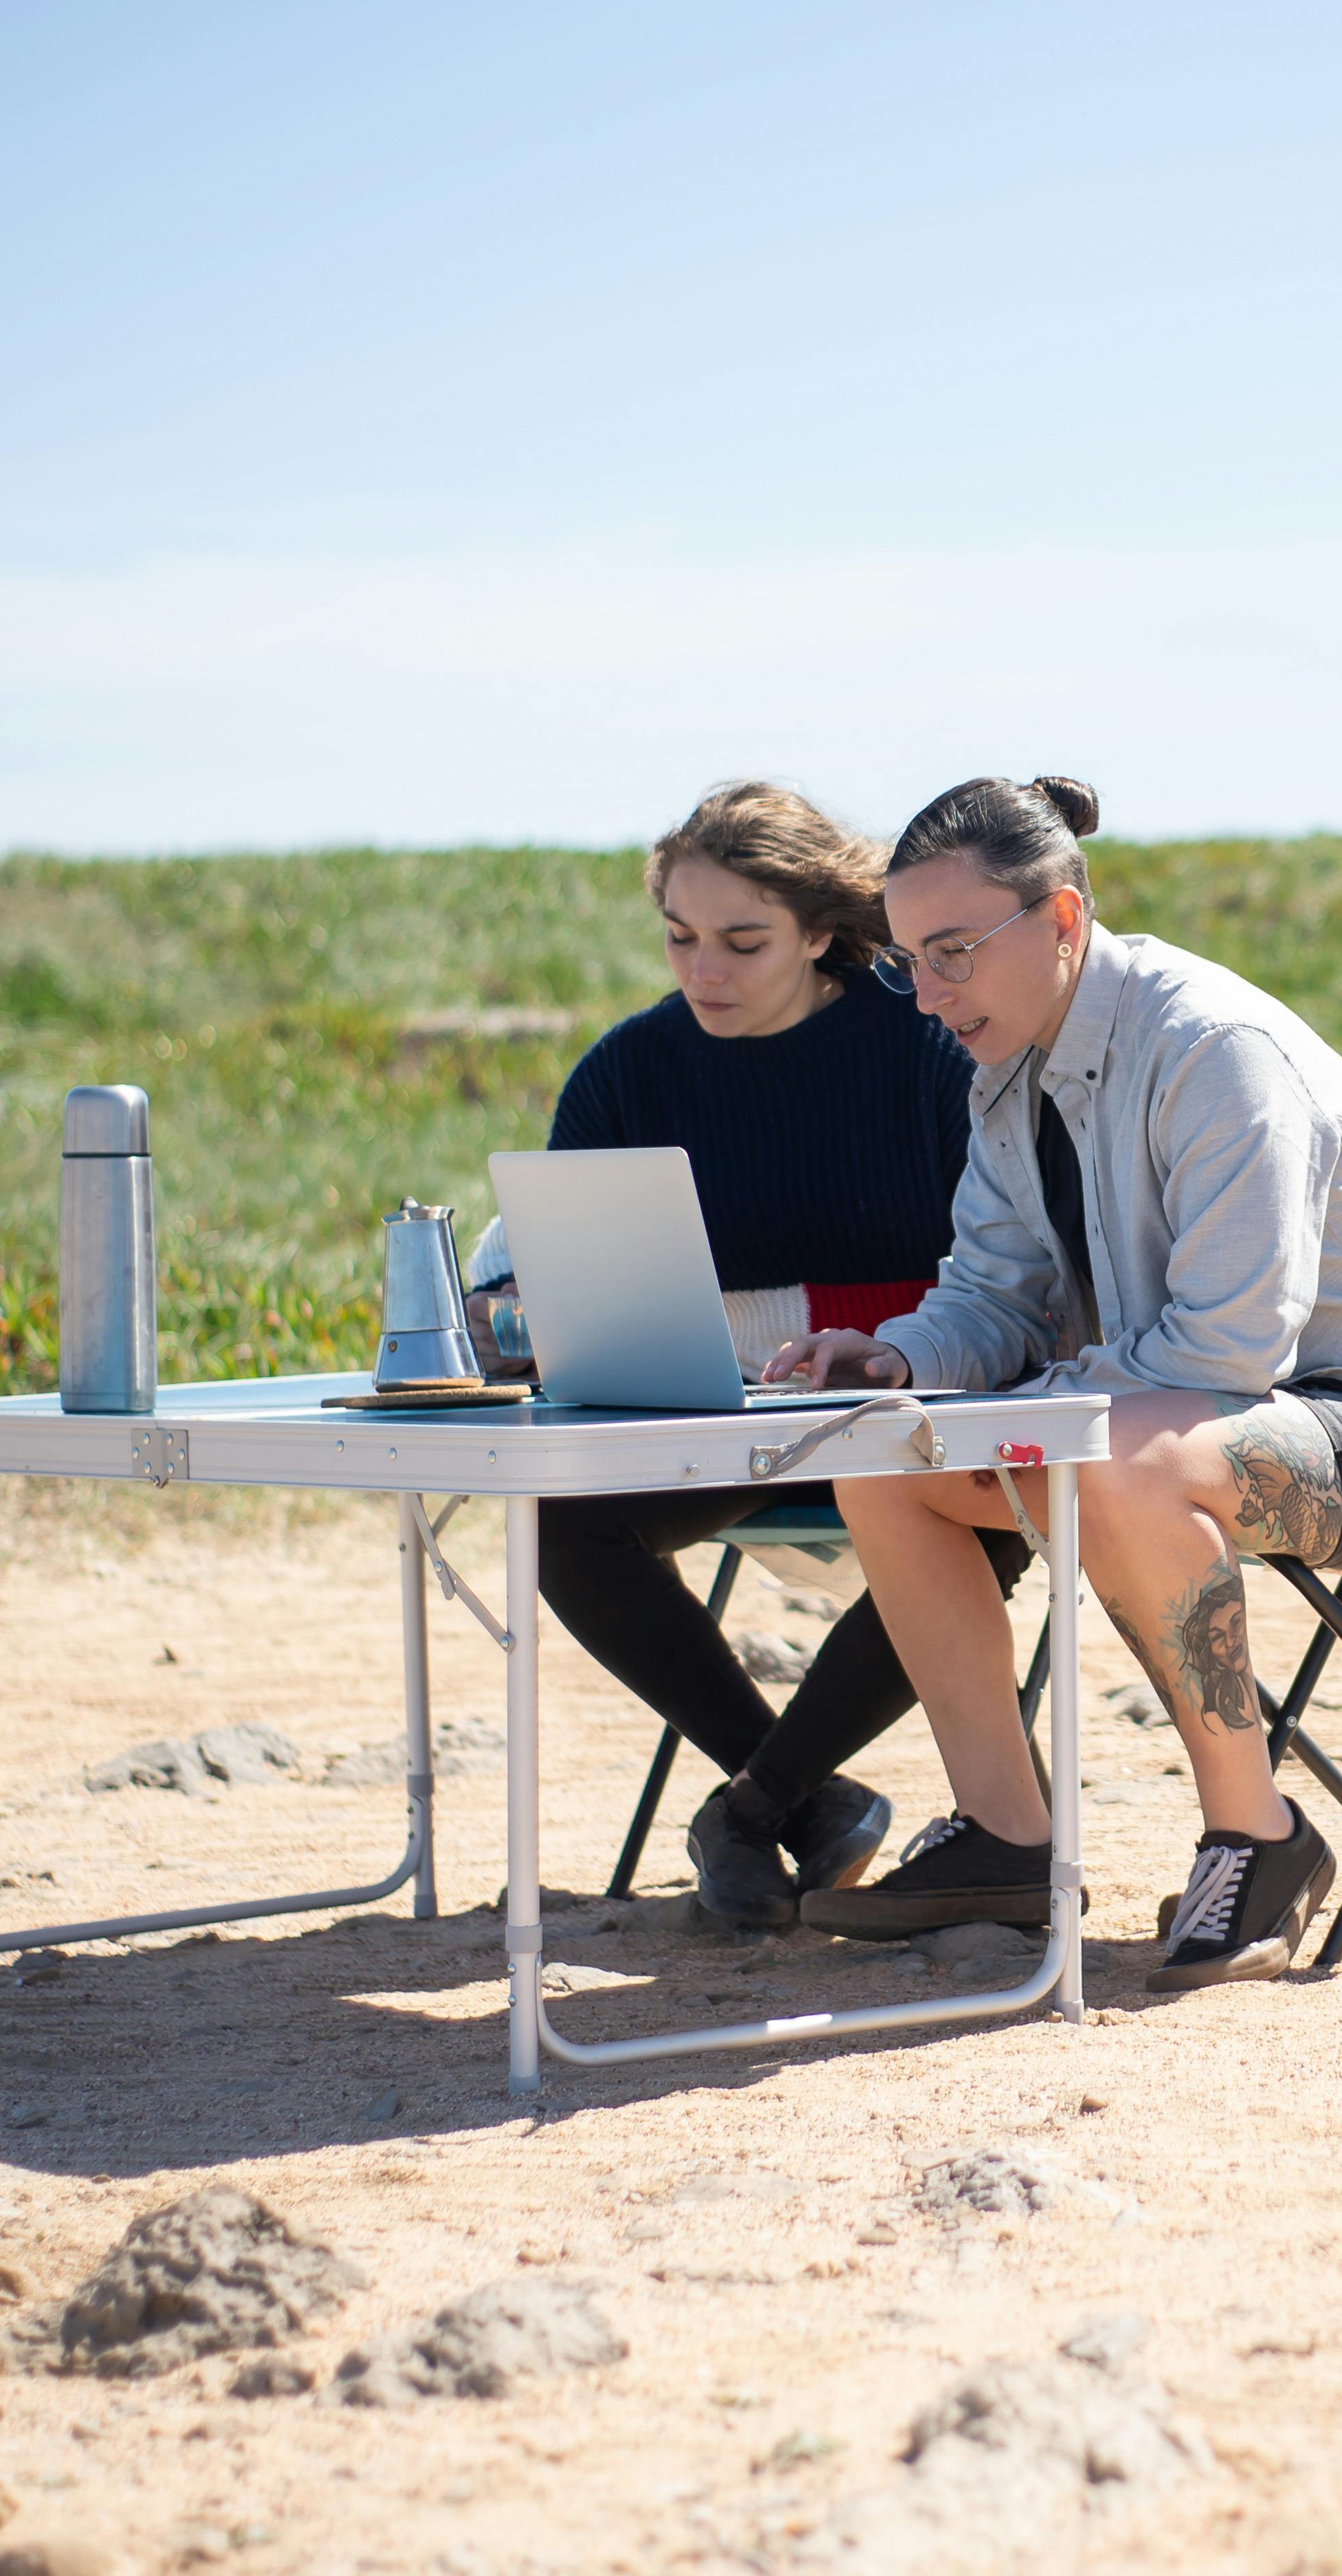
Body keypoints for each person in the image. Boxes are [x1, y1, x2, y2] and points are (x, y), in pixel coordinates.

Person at [772, 775, 1342, 1990]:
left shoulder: (1216, 1049)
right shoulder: (1007, 1070)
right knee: (884, 1450)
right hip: (1178, 1428)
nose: (927, 993)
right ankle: (1006, 1842)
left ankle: (1258, 1837)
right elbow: (994, 1292)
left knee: (1115, 1458)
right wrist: (904, 1357)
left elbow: (1226, 1348)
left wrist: (1035, 1412)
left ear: (1063, 921)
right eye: (906, 961)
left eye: (954, 951)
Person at [473, 780, 1033, 1928]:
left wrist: (749, 1323)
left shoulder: (929, 1051)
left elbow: (991, 1289)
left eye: (742, 941)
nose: (703, 971)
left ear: (822, 931)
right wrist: (514, 1311)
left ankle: (755, 1806)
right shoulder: (629, 1071)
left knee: (985, 1526)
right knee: (560, 1518)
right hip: (706, 1423)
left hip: (910, 1416)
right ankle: (805, 1799)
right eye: (679, 938)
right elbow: (550, 1276)